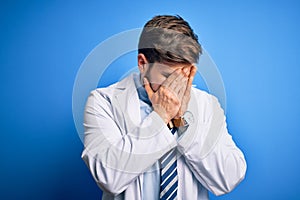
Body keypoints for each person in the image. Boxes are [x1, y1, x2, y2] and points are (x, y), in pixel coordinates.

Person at [81, 15, 246, 200]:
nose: (178, 87)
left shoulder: (207, 105)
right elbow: (109, 178)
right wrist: (160, 117)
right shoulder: (103, 102)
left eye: (183, 75)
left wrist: (180, 122)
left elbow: (228, 178)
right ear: (143, 64)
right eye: (168, 76)